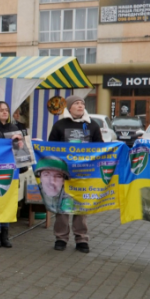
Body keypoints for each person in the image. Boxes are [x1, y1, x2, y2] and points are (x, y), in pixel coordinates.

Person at [48, 95, 102, 253]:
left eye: (82, 103)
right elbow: (51, 148)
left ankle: (81, 239)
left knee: (81, 207)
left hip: (83, 174)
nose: (80, 106)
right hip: (63, 174)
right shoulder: (59, 125)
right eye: (77, 103)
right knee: (62, 207)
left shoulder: (92, 125)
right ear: (69, 107)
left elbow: (101, 148)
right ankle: (61, 238)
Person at [0, 101, 28, 248]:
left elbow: (20, 150)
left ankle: (5, 234)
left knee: (8, 202)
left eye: (6, 110)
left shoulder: (15, 129)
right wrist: (7, 142)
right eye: (1, 110)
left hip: (11, 171)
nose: (4, 112)